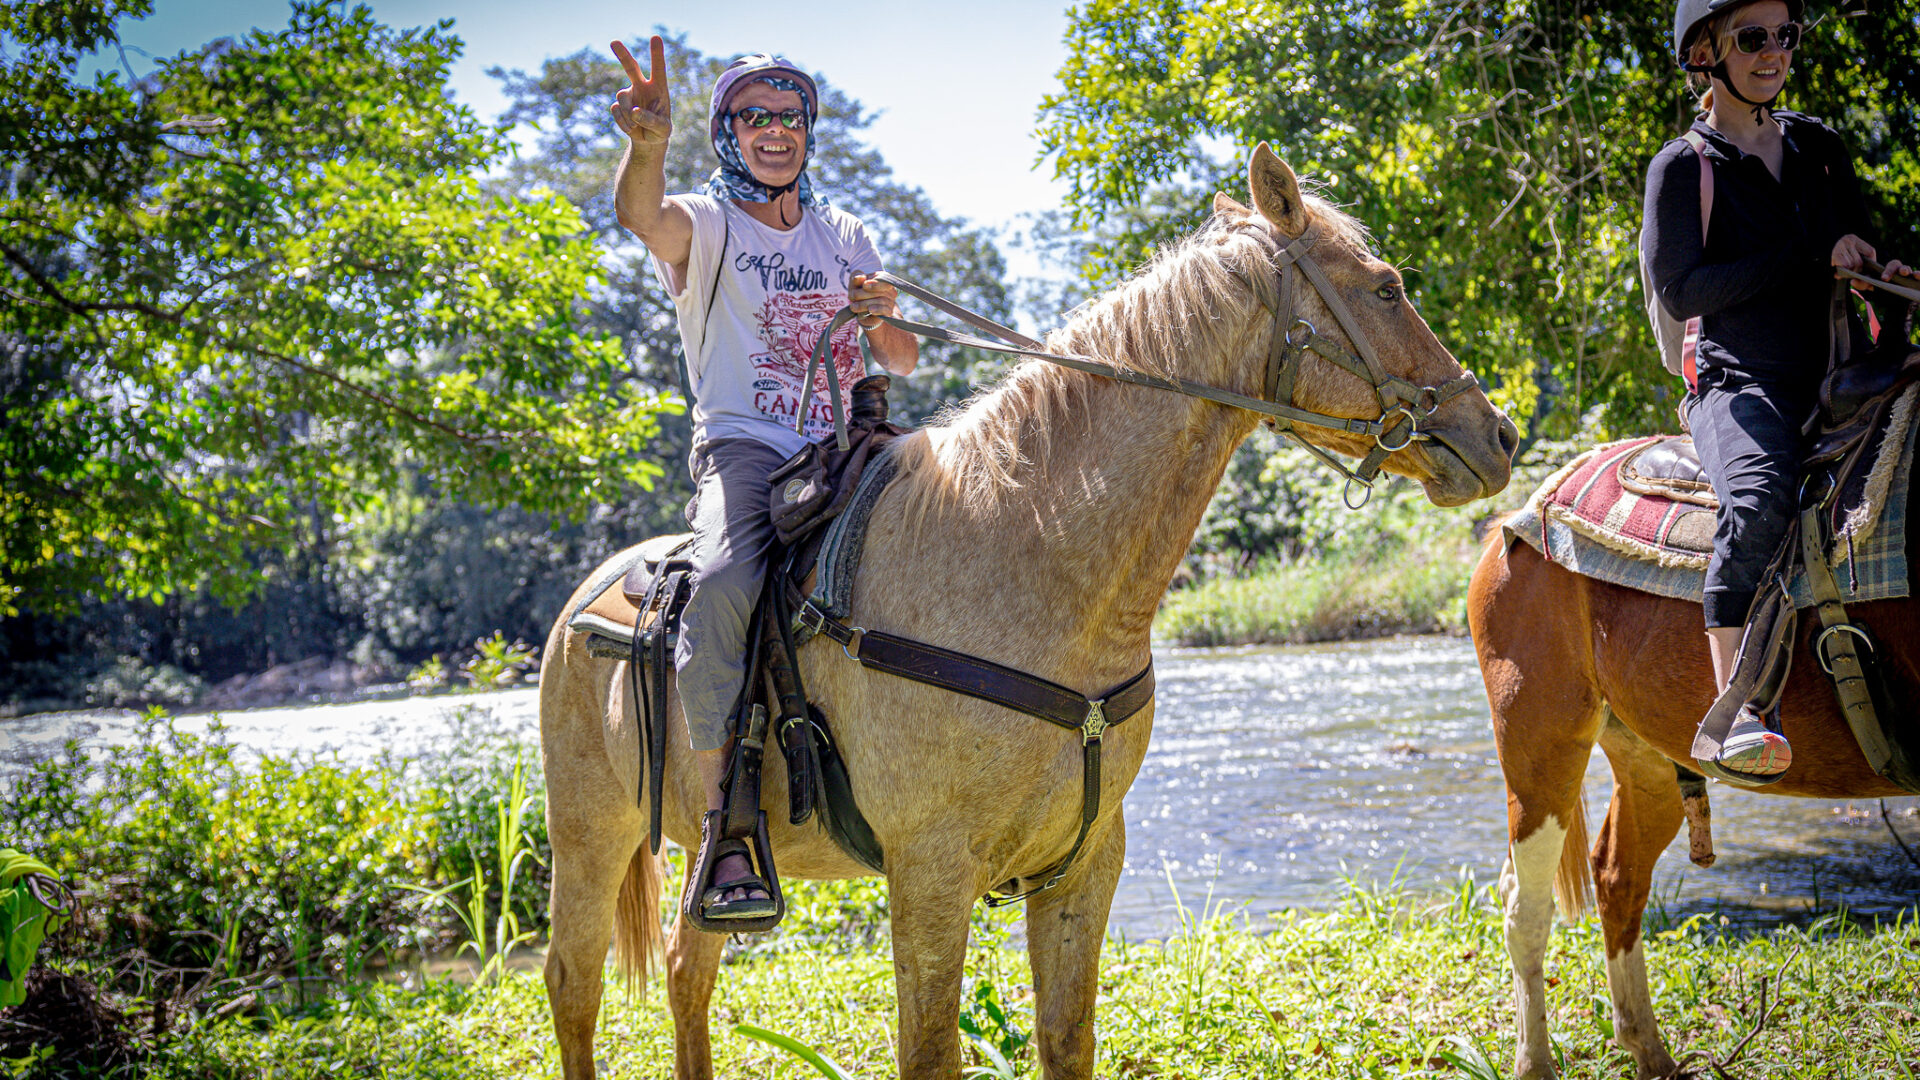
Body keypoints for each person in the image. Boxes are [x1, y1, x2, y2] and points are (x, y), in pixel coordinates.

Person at [609, 36, 919, 919]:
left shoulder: (844, 233)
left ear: (809, 131)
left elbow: (895, 356)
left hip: (842, 444)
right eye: (755, 117)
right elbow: (643, 217)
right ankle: (725, 827)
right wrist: (646, 145)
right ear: (728, 132)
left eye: (790, 117)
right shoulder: (707, 226)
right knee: (719, 583)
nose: (775, 131)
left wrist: (882, 312)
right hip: (746, 449)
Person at [1644, 0, 1907, 778]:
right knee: (1756, 503)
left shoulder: (1820, 146)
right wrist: (1803, 255)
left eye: (1785, 36)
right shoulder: (1682, 167)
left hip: (1844, 370)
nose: (1774, 52)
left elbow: (1856, 241)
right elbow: (1683, 289)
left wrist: (1880, 267)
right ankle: (1740, 707)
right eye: (1753, 38)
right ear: (1706, 55)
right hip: (1742, 382)